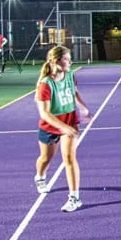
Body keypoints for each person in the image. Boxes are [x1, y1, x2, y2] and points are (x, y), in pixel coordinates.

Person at [34, 46, 91, 212]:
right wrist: (63, 127)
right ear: (55, 61)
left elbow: (74, 92)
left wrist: (83, 107)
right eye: (67, 58)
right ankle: (40, 177)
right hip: (51, 125)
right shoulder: (45, 84)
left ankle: (74, 197)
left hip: (70, 121)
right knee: (46, 158)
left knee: (69, 158)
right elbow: (44, 113)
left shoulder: (70, 75)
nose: (70, 61)